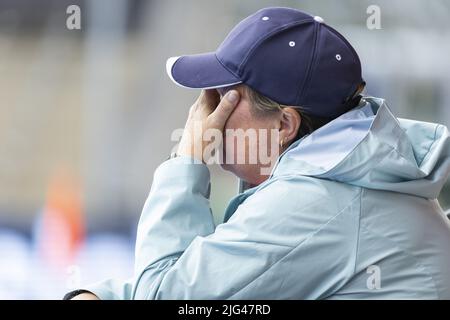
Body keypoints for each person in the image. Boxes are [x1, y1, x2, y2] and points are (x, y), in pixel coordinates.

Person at [67, 7, 450, 300]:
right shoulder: (343, 178)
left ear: (284, 125)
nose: (205, 113)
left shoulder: (315, 201)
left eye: (224, 96)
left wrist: (186, 160)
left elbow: (165, 295)